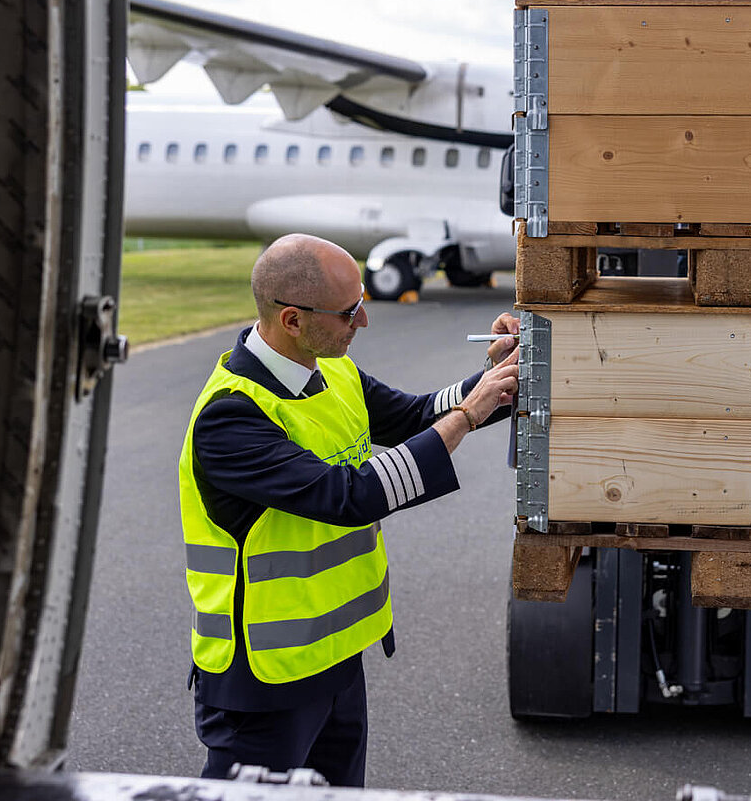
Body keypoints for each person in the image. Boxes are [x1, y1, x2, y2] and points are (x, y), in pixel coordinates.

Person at [177, 233, 518, 785]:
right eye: (349, 311)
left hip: (335, 659)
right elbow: (350, 496)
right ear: (291, 319)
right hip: (268, 679)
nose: (364, 321)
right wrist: (470, 417)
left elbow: (416, 415)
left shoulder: (330, 369)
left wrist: (499, 377)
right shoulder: (231, 417)